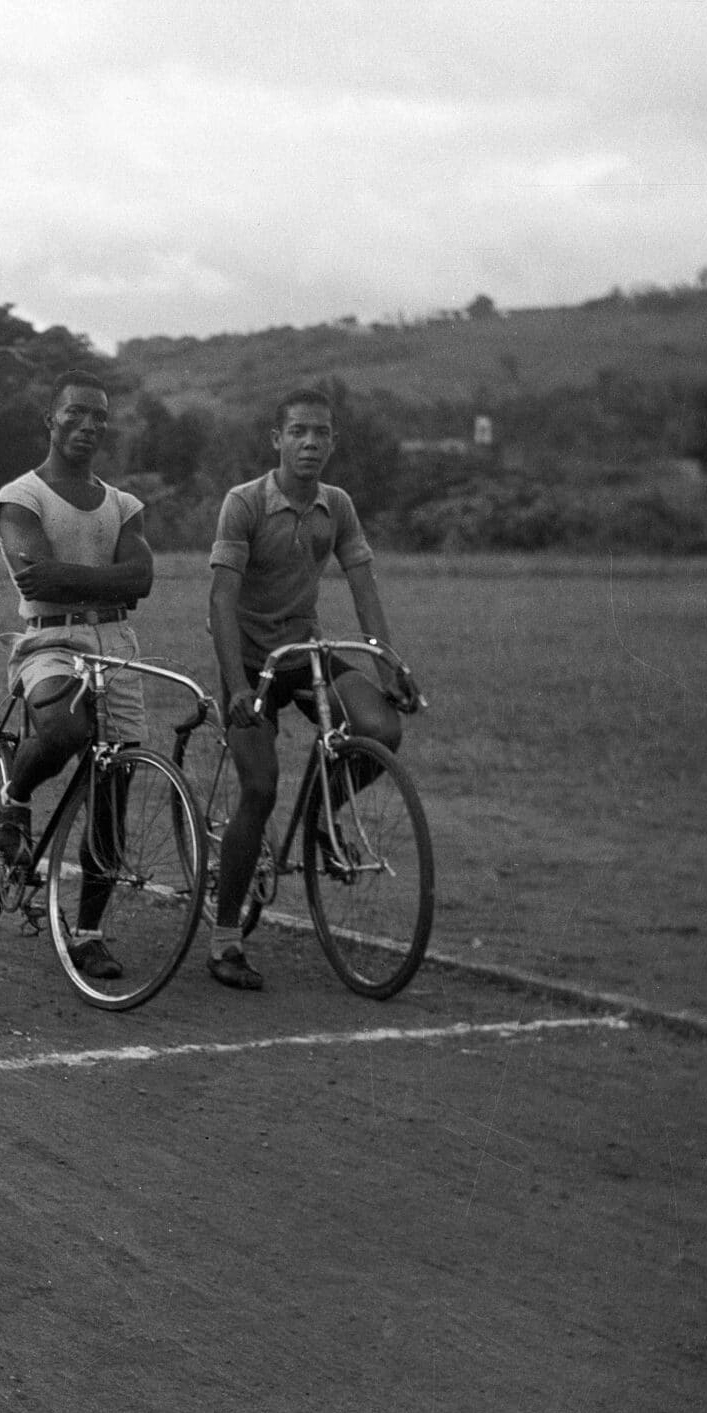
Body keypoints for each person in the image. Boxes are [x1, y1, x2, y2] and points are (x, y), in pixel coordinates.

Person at [202, 386, 410, 990]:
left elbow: (362, 585)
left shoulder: (337, 505)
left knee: (379, 730)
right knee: (260, 789)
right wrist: (237, 685)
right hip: (250, 663)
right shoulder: (243, 504)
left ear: (333, 442)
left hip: (305, 653)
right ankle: (224, 939)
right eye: (298, 432)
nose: (310, 443)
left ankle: (322, 817)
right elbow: (220, 598)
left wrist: (387, 663)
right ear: (277, 440)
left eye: (321, 433)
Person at [0, 370, 156, 981]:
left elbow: (142, 579)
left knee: (113, 790)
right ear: (50, 420)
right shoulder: (21, 495)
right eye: (75, 414)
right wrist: (113, 580)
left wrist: (75, 578)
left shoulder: (123, 504)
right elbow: (35, 577)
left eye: (98, 419)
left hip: (115, 643)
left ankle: (87, 932)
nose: (88, 427)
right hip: (48, 639)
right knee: (62, 730)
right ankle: (13, 797)